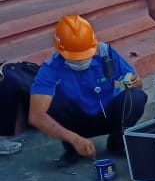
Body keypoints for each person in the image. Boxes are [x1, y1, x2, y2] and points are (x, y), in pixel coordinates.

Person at [28, 16, 147, 167]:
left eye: (85, 55)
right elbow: (36, 116)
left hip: (107, 115)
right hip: (76, 123)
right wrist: (73, 138)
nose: (81, 61)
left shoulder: (105, 53)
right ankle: (72, 148)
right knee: (51, 105)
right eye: (75, 58)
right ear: (61, 50)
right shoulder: (51, 68)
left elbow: (138, 83)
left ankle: (118, 142)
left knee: (136, 97)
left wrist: (135, 81)